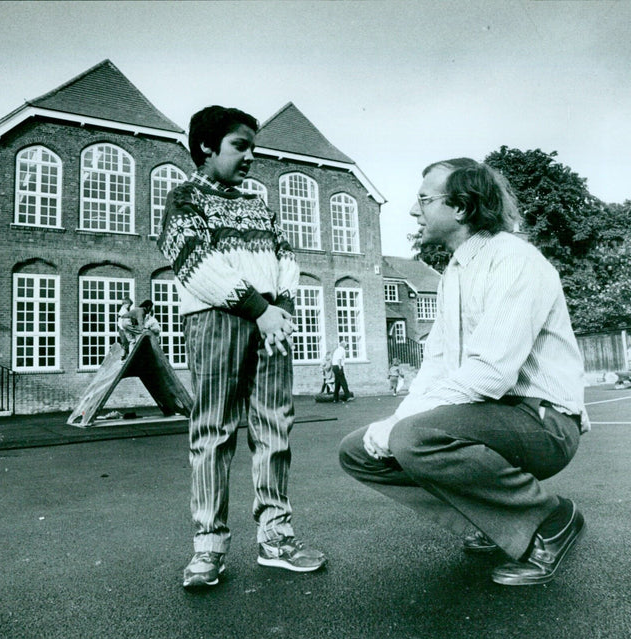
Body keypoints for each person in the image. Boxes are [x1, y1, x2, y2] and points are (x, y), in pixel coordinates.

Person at [339, 158, 589, 586]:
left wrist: (403, 427)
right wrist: (394, 420)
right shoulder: (455, 271)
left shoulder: (514, 260)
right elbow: (436, 365)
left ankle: (549, 521)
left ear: (461, 208)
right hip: (488, 416)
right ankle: (496, 524)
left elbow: (490, 372)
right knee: (358, 450)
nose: (414, 210)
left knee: (414, 437)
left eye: (424, 199)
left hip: (543, 422)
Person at [158, 105, 326, 588]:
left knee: (275, 425)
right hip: (218, 320)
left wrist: (283, 310)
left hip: (273, 322)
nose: (251, 156)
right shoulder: (183, 199)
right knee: (213, 429)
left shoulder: (259, 204)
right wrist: (258, 309)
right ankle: (208, 548)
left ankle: (276, 538)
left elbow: (285, 257)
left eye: (253, 146)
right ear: (207, 147)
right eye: (240, 146)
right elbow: (196, 265)